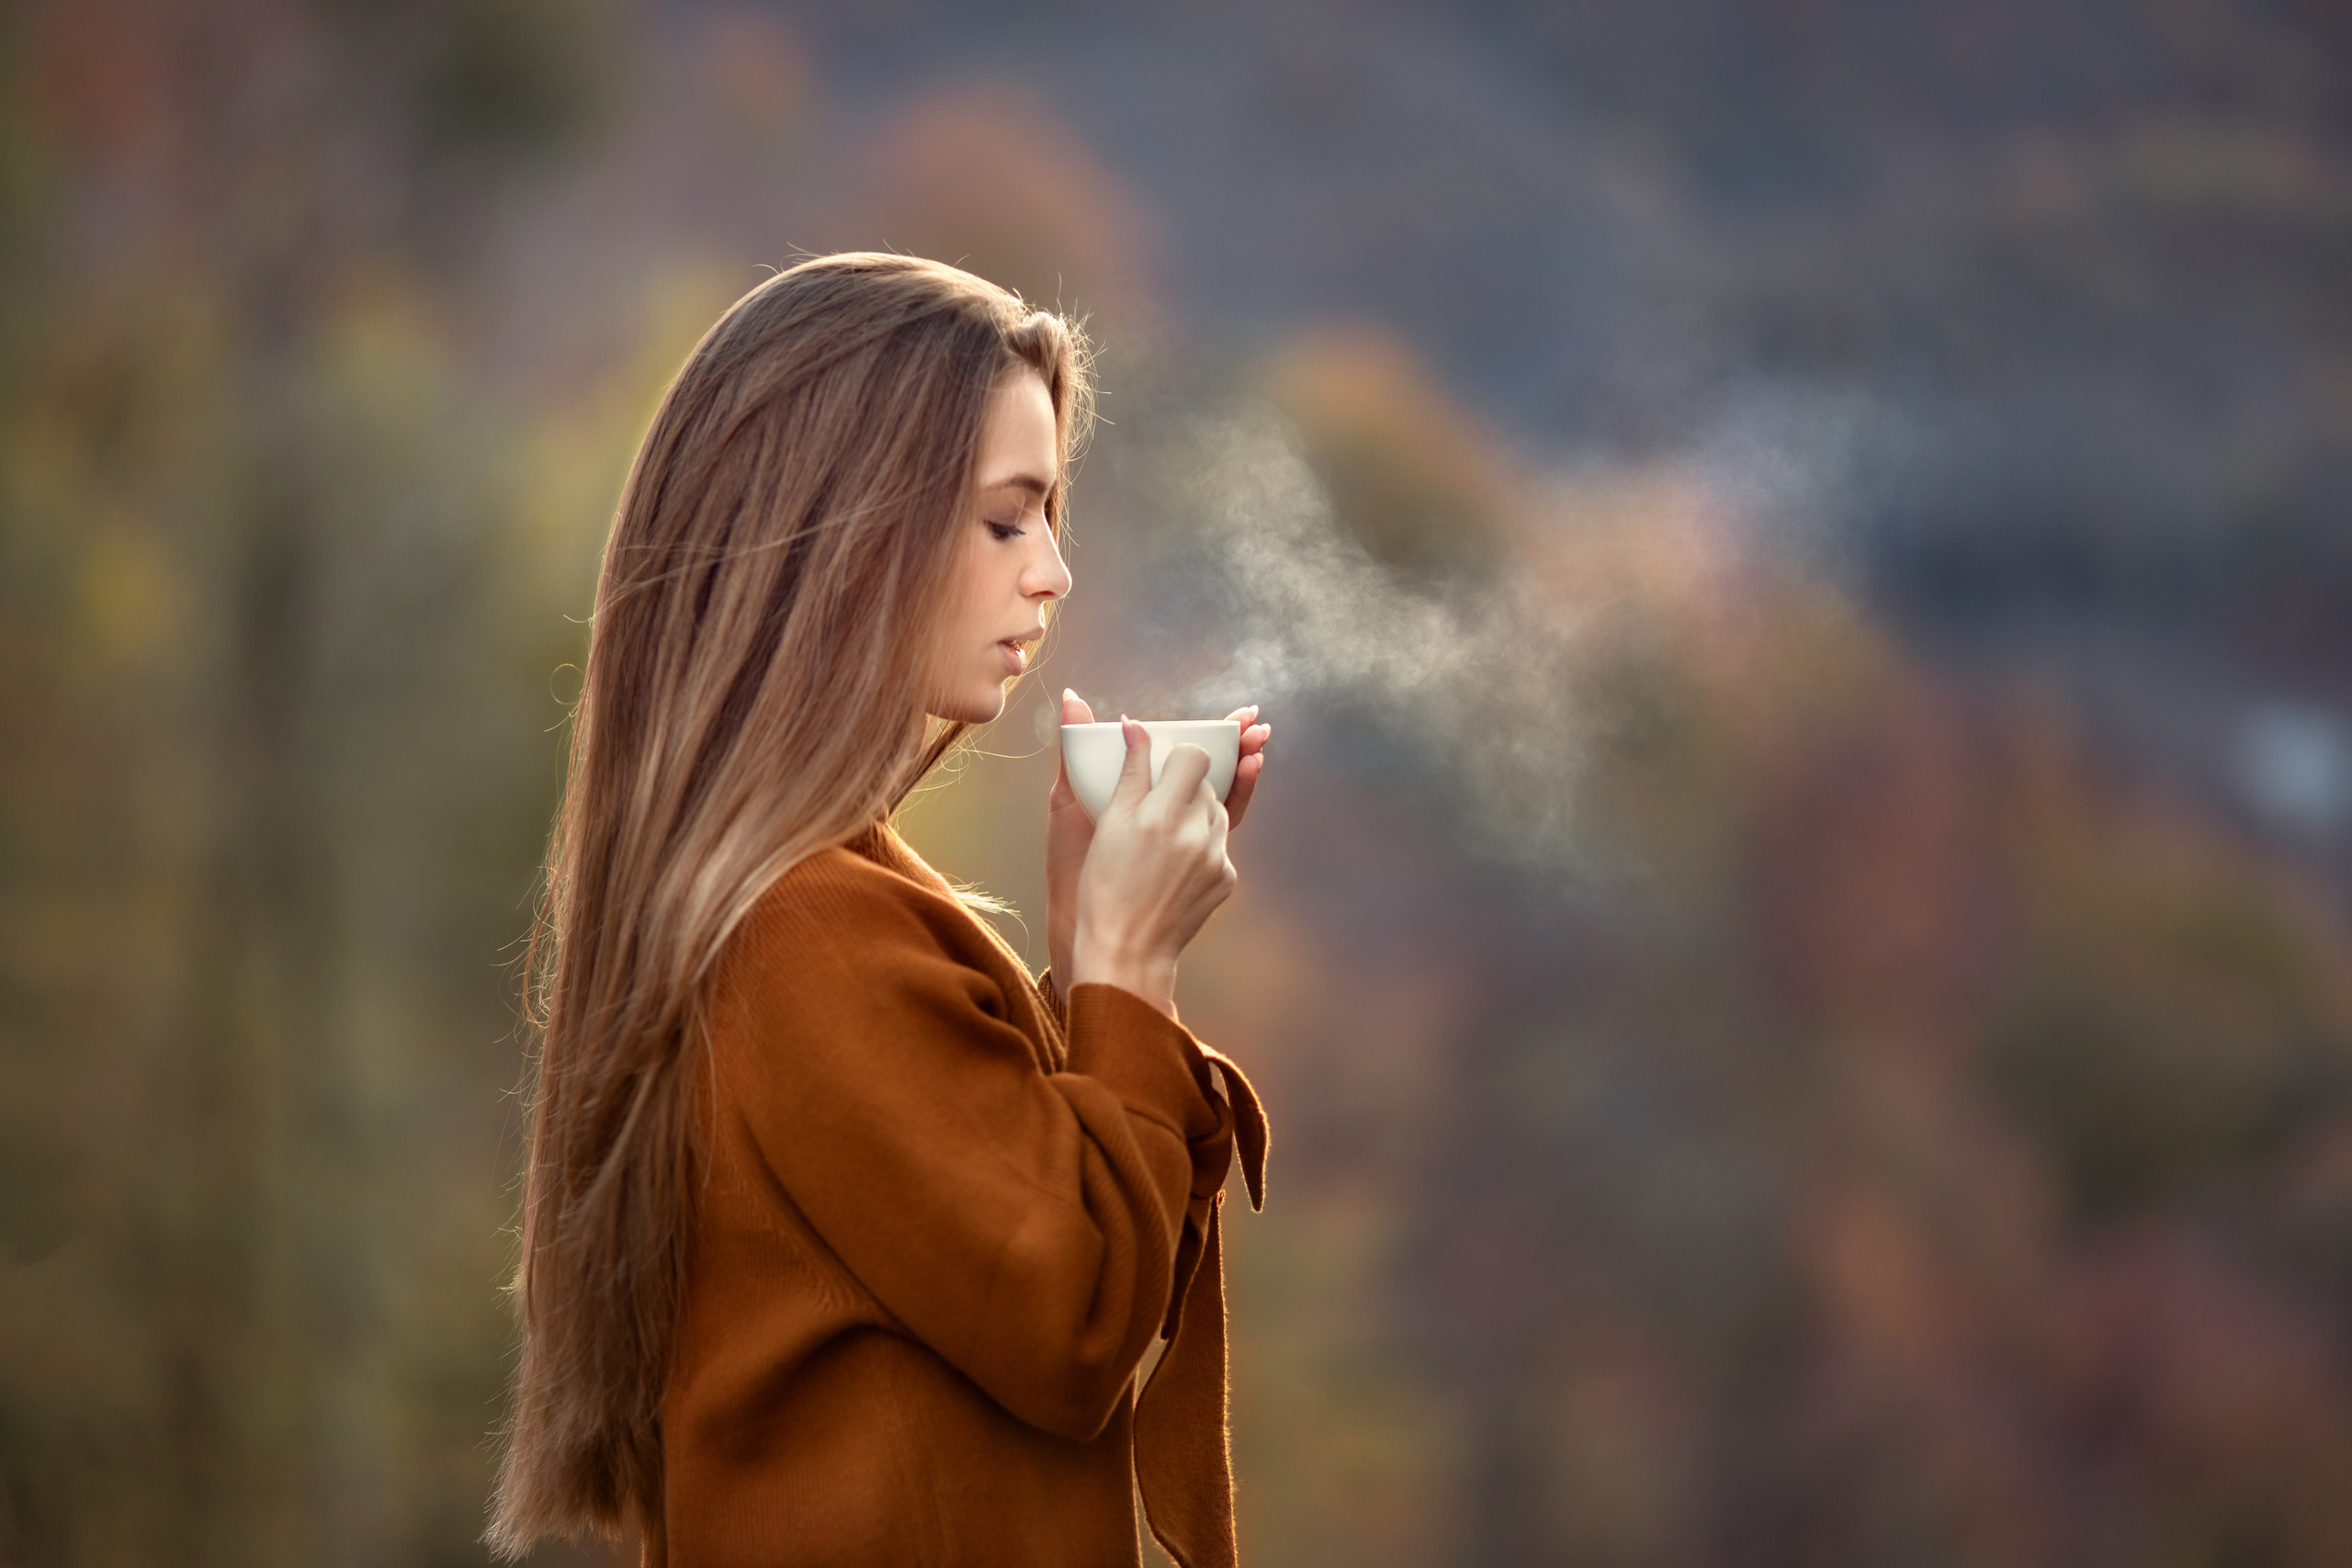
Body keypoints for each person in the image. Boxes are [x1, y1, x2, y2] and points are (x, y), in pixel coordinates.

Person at [486, 254, 1272, 1568]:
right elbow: (1072, 1317)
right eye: (1007, 521)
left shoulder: (797, 902)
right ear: (845, 535)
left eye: (1050, 516)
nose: (1054, 572)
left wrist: (1085, 957)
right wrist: (1131, 966)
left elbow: (983, 1236)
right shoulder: (806, 931)